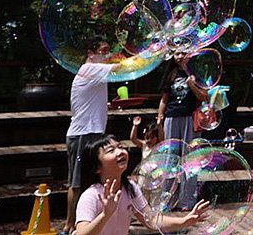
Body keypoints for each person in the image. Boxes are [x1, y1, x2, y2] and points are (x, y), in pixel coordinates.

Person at [74, 135, 210, 235]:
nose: (120, 151)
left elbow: (151, 220)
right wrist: (106, 214)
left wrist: (185, 221)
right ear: (97, 167)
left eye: (120, 147)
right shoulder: (91, 196)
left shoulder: (130, 188)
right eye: (111, 150)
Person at [65, 41, 116, 234]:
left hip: (92, 132)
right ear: (90, 53)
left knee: (90, 180)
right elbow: (123, 67)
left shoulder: (94, 72)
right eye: (103, 51)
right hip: (83, 134)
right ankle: (70, 225)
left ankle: (86, 222)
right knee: (76, 183)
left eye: (107, 51)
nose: (107, 55)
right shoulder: (90, 68)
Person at [157, 53, 205, 144]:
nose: (180, 56)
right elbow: (164, 99)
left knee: (189, 150)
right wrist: (160, 115)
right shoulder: (171, 74)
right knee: (171, 149)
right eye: (177, 54)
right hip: (171, 116)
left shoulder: (196, 73)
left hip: (190, 116)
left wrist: (192, 85)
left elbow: (202, 97)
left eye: (183, 53)